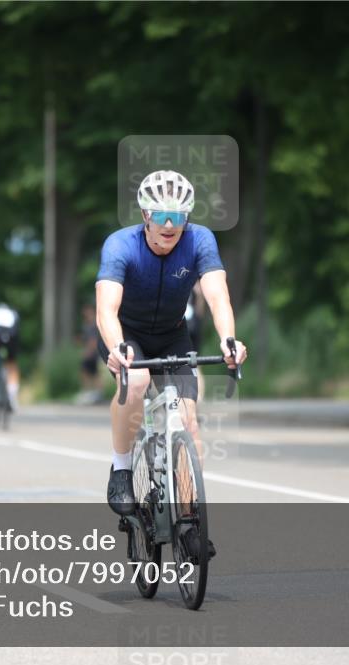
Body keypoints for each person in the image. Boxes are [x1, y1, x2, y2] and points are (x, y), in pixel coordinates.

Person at [96, 169, 247, 557]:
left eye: (177, 217)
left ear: (188, 218)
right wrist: (118, 349)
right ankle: (121, 469)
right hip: (126, 335)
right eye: (161, 215)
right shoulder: (120, 245)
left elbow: (217, 297)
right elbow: (106, 310)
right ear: (145, 214)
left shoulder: (200, 241)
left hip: (172, 333)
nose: (168, 225)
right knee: (140, 380)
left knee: (188, 426)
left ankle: (187, 521)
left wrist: (228, 339)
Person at [184, 283, 208, 401]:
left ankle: (198, 398)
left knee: (195, 364)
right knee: (195, 365)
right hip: (188, 326)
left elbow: (199, 311)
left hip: (191, 328)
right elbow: (200, 311)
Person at [77, 304, 102, 405]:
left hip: (93, 353)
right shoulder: (86, 324)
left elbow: (94, 340)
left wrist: (88, 351)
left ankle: (95, 393)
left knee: (91, 373)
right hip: (89, 351)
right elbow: (85, 339)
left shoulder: (94, 324)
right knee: (89, 372)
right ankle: (91, 392)